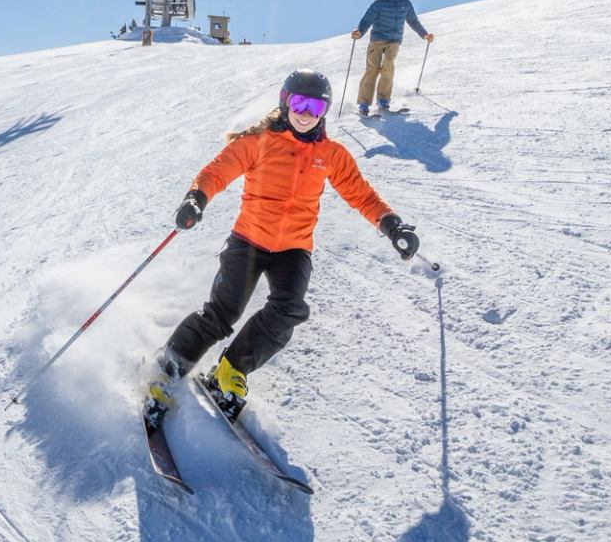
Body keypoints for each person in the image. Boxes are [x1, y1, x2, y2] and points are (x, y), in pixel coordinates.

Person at [143, 68, 432, 424]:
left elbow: (361, 194)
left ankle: (230, 370)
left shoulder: (332, 154)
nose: (306, 113)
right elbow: (217, 171)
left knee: (289, 309)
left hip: (294, 248)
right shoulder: (259, 142)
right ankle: (168, 367)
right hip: (248, 240)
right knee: (223, 311)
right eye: (300, 102)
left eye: (316, 106)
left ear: (325, 110)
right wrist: (196, 199)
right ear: (285, 101)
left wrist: (392, 225)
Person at [350, 0, 433, 117]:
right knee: (372, 69)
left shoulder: (405, 3)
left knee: (388, 67)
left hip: (394, 41)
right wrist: (359, 32)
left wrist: (424, 34)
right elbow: (367, 19)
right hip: (377, 40)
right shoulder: (379, 4)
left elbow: (413, 21)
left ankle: (383, 100)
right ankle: (364, 104)